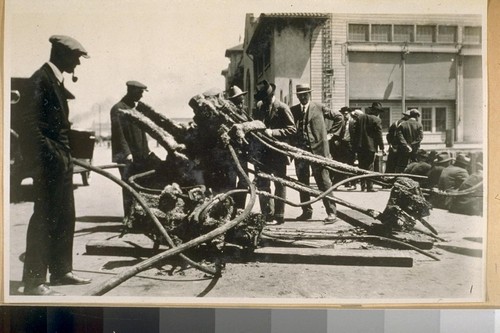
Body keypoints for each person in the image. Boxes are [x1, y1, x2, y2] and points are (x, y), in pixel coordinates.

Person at [19, 35, 92, 296]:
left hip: (61, 161)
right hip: (49, 164)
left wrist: (66, 156)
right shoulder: (40, 80)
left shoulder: (56, 81)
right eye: (75, 59)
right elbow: (29, 127)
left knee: (65, 216)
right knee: (44, 218)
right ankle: (34, 280)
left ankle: (61, 271)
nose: (78, 65)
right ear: (61, 55)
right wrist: (54, 156)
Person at [290, 84, 342, 223]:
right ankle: (306, 212)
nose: (303, 97)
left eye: (305, 94)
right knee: (302, 182)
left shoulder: (319, 107)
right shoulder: (293, 110)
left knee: (323, 182)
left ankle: (331, 212)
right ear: (297, 96)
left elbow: (339, 117)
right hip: (300, 152)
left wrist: (331, 134)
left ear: (309, 94)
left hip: (318, 151)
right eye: (300, 95)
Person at [111, 81, 156, 225]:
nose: (142, 95)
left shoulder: (135, 109)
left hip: (140, 156)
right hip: (126, 156)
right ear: (131, 91)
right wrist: (127, 153)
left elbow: (142, 134)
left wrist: (146, 151)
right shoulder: (118, 108)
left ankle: (138, 217)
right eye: (140, 93)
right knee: (128, 186)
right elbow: (119, 134)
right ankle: (128, 217)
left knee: (140, 185)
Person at [253, 80, 296, 224]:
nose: (264, 102)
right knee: (263, 183)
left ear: (272, 96)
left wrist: (273, 132)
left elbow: (292, 129)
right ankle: (266, 214)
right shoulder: (259, 107)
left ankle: (279, 215)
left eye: (266, 99)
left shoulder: (282, 108)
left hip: (278, 153)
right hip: (263, 153)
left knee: (279, 184)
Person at [351, 103, 384, 192]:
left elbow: (355, 132)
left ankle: (362, 186)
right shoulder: (377, 120)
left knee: (361, 166)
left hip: (360, 146)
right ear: (376, 111)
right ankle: (370, 187)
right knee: (370, 166)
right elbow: (379, 135)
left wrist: (355, 146)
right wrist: (382, 147)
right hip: (370, 147)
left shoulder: (360, 118)